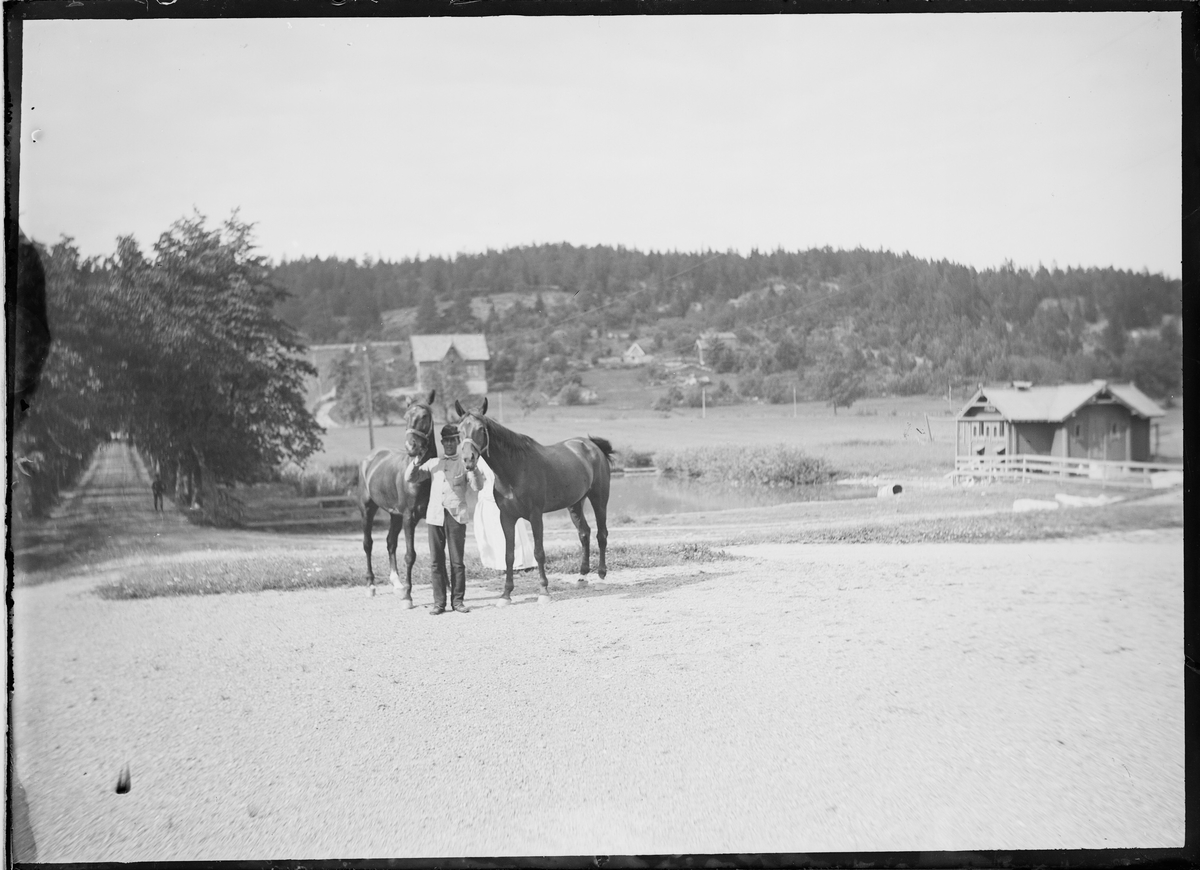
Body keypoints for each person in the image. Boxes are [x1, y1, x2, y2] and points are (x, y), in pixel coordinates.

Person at [407, 424, 483, 615]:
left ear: (458, 442)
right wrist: (416, 458)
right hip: (435, 518)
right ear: (442, 443)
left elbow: (477, 486)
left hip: (456, 517)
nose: (449, 444)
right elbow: (411, 477)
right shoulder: (433, 463)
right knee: (436, 562)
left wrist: (473, 468)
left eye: (452, 440)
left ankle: (458, 601)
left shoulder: (464, 463)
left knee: (457, 562)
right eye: (446, 441)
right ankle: (438, 603)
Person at [473, 455, 537, 572]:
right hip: (488, 497)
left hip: (504, 496)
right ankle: (497, 563)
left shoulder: (503, 455)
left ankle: (519, 562)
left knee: (511, 530)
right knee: (491, 532)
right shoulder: (480, 460)